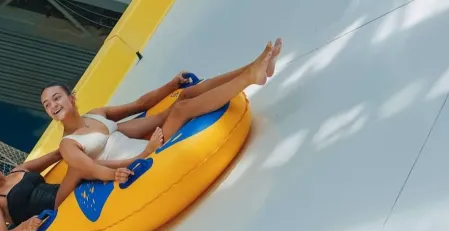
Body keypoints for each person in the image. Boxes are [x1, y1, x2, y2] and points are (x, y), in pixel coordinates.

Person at [44, 39, 282, 180]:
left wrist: (171, 85)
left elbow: (140, 105)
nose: (53, 106)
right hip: (146, 155)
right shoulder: (68, 144)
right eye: (47, 105)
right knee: (182, 110)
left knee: (184, 96)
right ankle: (250, 78)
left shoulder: (95, 115)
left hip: (145, 143)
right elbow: (93, 169)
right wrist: (141, 155)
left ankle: (252, 66)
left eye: (56, 98)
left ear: (72, 98)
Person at [0, 148, 113, 231]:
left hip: (62, 192)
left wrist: (75, 142)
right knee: (78, 168)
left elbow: (55, 156)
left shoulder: (20, 169)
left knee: (80, 161)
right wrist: (25, 226)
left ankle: (129, 160)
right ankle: (128, 166)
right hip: (55, 208)